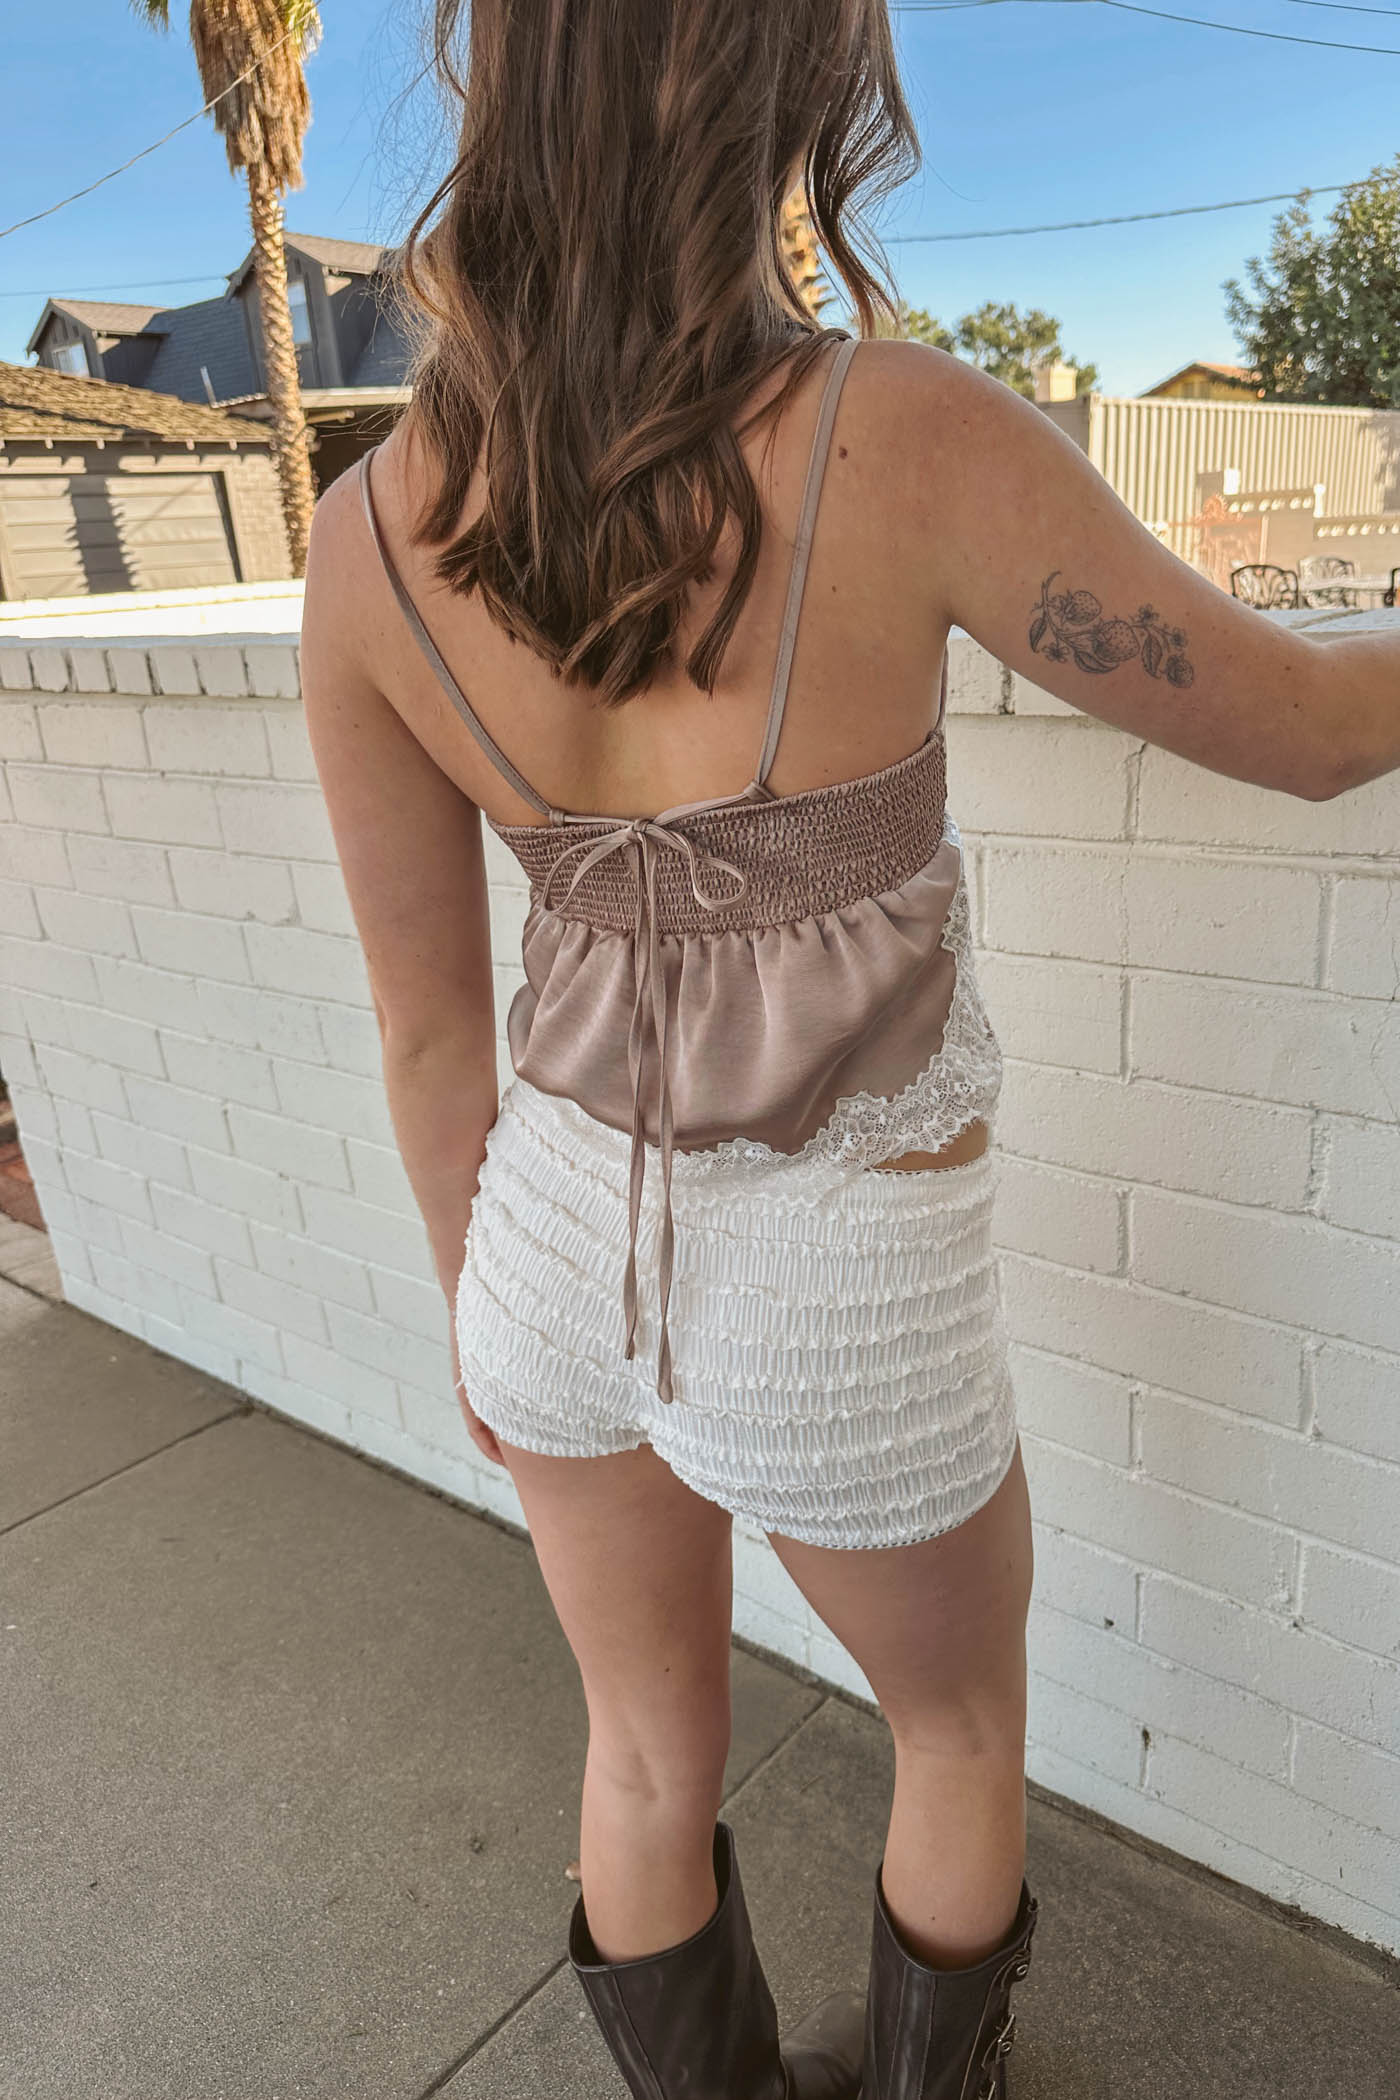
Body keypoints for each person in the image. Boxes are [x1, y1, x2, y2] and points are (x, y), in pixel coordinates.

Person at [298, 5, 1400, 2094]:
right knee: (958, 1728)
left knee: (639, 1746)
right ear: (791, 89)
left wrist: (478, 1330)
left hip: (544, 1254)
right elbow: (1315, 726)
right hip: (837, 1284)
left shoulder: (365, 539)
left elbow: (433, 1027)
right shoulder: (893, 432)